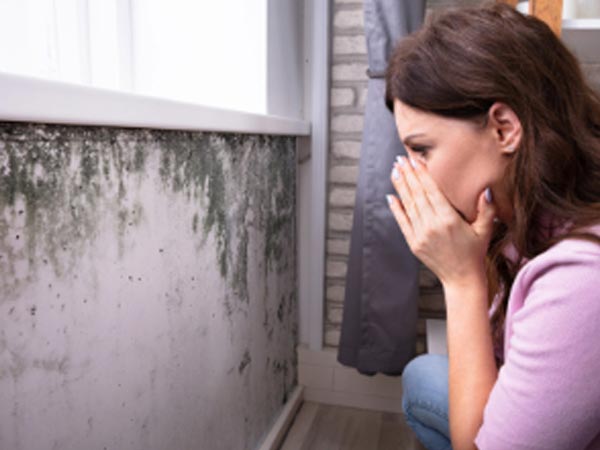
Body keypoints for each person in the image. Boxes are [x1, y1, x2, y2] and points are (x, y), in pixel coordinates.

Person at [382, 1, 600, 449]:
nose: (412, 174)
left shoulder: (582, 281)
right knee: (422, 373)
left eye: (422, 150)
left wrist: (461, 281)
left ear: (503, 128)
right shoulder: (530, 213)